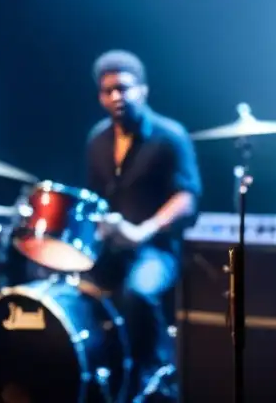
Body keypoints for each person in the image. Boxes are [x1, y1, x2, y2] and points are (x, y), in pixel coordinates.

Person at [81, 49, 202, 399]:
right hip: (111, 249)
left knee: (138, 291)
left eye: (124, 88)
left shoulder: (169, 136)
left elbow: (187, 197)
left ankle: (154, 372)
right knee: (74, 291)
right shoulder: (98, 139)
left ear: (143, 90)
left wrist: (143, 230)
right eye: (108, 91)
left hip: (157, 250)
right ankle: (98, 372)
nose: (116, 97)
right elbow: (93, 198)